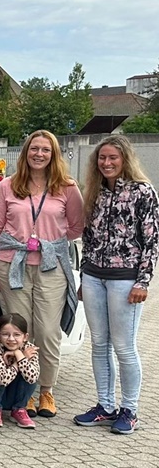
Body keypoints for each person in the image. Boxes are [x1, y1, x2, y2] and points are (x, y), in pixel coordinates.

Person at [0, 130, 83, 419]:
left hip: (50, 268)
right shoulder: (8, 186)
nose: (39, 154)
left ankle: (46, 390)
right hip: (11, 264)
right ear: (26, 152)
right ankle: (22, 395)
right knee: (17, 332)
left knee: (48, 331)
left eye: (46, 150)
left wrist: (50, 242)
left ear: (54, 155)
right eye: (34, 149)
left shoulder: (66, 187)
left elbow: (77, 227)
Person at [75, 136, 157, 435]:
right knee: (99, 345)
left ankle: (130, 409)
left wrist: (143, 281)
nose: (107, 163)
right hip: (95, 276)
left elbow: (151, 240)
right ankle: (105, 405)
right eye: (102, 158)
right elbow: (89, 237)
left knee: (124, 347)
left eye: (113, 158)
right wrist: (84, 276)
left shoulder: (142, 192)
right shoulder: (95, 192)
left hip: (126, 280)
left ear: (125, 159)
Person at [0, 313, 40, 430]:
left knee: (30, 371)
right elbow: (2, 379)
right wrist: (16, 364)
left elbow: (32, 378)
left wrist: (19, 355)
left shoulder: (29, 349)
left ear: (25, 337)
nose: (11, 339)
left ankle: (19, 409)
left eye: (17, 335)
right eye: (5, 334)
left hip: (17, 394)